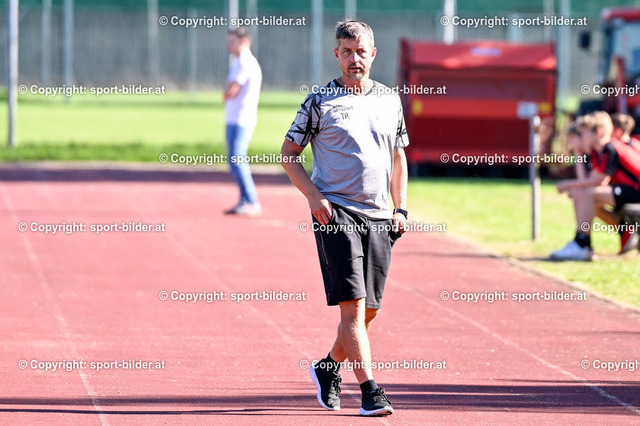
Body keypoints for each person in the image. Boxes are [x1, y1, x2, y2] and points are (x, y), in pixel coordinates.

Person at [279, 20, 409, 416]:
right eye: (347, 51)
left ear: (373, 54)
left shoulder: (390, 100)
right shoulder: (319, 102)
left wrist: (400, 207)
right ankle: (370, 391)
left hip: (380, 216)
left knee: (370, 310)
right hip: (336, 213)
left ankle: (328, 366)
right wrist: (314, 195)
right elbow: (288, 155)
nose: (355, 58)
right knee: (352, 307)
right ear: (336, 55)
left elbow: (399, 155)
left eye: (361, 51)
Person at [551, 112, 640, 260]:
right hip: (628, 190)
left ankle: (582, 243)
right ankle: (584, 241)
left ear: (598, 133)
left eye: (583, 134)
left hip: (636, 190)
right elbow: (586, 181)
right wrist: (578, 154)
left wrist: (567, 184)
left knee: (587, 194)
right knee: (582, 195)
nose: (582, 138)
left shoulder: (610, 148)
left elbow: (600, 181)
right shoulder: (597, 151)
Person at [224, 27, 262, 216]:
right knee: (234, 160)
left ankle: (251, 201)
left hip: (241, 119)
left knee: (238, 160)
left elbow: (231, 90)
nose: (229, 46)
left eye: (232, 42)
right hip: (235, 118)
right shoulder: (241, 61)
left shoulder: (244, 62)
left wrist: (226, 92)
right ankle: (244, 200)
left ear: (244, 42)